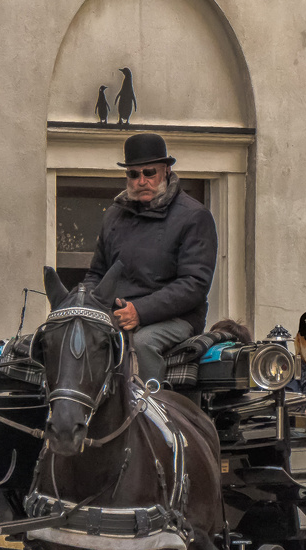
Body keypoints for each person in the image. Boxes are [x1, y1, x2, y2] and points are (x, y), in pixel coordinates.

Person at [81, 132, 218, 383]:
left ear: (165, 171)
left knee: (143, 344)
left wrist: (140, 311)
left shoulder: (194, 216)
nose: (141, 180)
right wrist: (84, 303)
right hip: (118, 314)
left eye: (149, 173)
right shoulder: (113, 215)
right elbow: (96, 274)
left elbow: (194, 284)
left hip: (175, 318)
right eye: (134, 174)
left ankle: (151, 413)